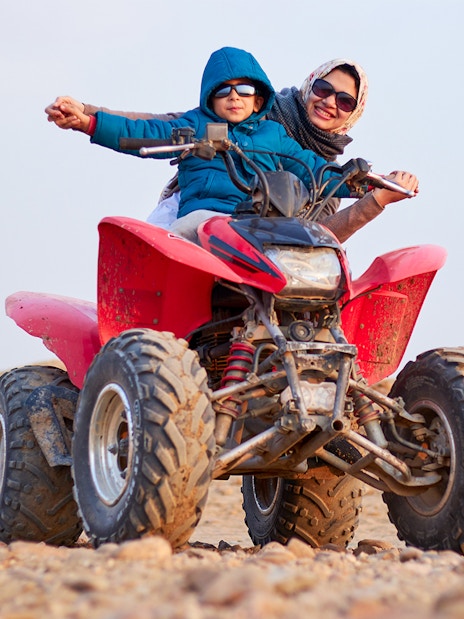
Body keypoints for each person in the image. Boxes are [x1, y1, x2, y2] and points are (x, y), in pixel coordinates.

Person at [46, 51, 418, 242]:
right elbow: (149, 128)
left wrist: (375, 187)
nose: (329, 102)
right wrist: (87, 118)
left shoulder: (278, 141)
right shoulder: (204, 126)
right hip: (198, 213)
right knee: (167, 242)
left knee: (318, 261)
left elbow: (325, 177)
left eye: (345, 100)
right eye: (323, 89)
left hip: (259, 230)